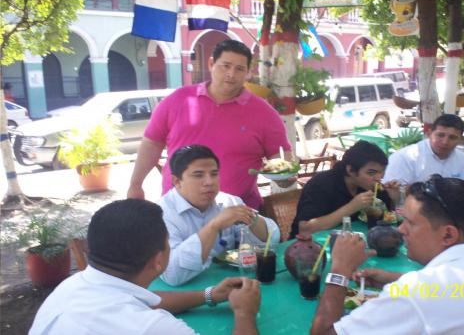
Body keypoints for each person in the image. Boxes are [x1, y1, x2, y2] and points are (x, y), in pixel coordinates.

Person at [309, 176, 464, 335]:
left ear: (448, 234)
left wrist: (340, 270)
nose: (400, 230)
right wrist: (394, 278)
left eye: (410, 222)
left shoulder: (412, 293)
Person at [29, 199, 262, 335]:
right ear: (158, 260)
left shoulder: (71, 287)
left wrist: (210, 294)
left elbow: (148, 299)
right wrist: (244, 313)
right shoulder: (152, 327)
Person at [127, 39, 293, 209]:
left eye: (239, 69)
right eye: (225, 66)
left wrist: (286, 177)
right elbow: (152, 143)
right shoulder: (178, 100)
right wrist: (135, 184)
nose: (231, 74)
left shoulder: (264, 113)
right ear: (211, 63)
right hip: (178, 212)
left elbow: (280, 157)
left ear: (248, 72)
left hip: (237, 216)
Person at [157, 145, 280, 285]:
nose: (209, 182)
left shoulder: (228, 201)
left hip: (230, 286)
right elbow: (173, 275)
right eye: (198, 175)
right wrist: (214, 226)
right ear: (177, 181)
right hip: (185, 295)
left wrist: (251, 219)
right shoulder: (160, 215)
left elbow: (273, 239)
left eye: (214, 174)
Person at [290, 140, 396, 238]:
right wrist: (352, 207)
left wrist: (394, 197)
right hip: (308, 247)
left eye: (382, 172)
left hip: (355, 240)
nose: (379, 178)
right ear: (350, 170)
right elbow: (305, 229)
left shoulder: (370, 185)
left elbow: (388, 217)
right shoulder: (321, 184)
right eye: (371, 173)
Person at [382, 114, 464, 199]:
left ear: (460, 140)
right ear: (429, 133)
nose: (445, 142)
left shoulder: (462, 159)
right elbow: (393, 195)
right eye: (440, 135)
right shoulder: (404, 157)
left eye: (452, 137)